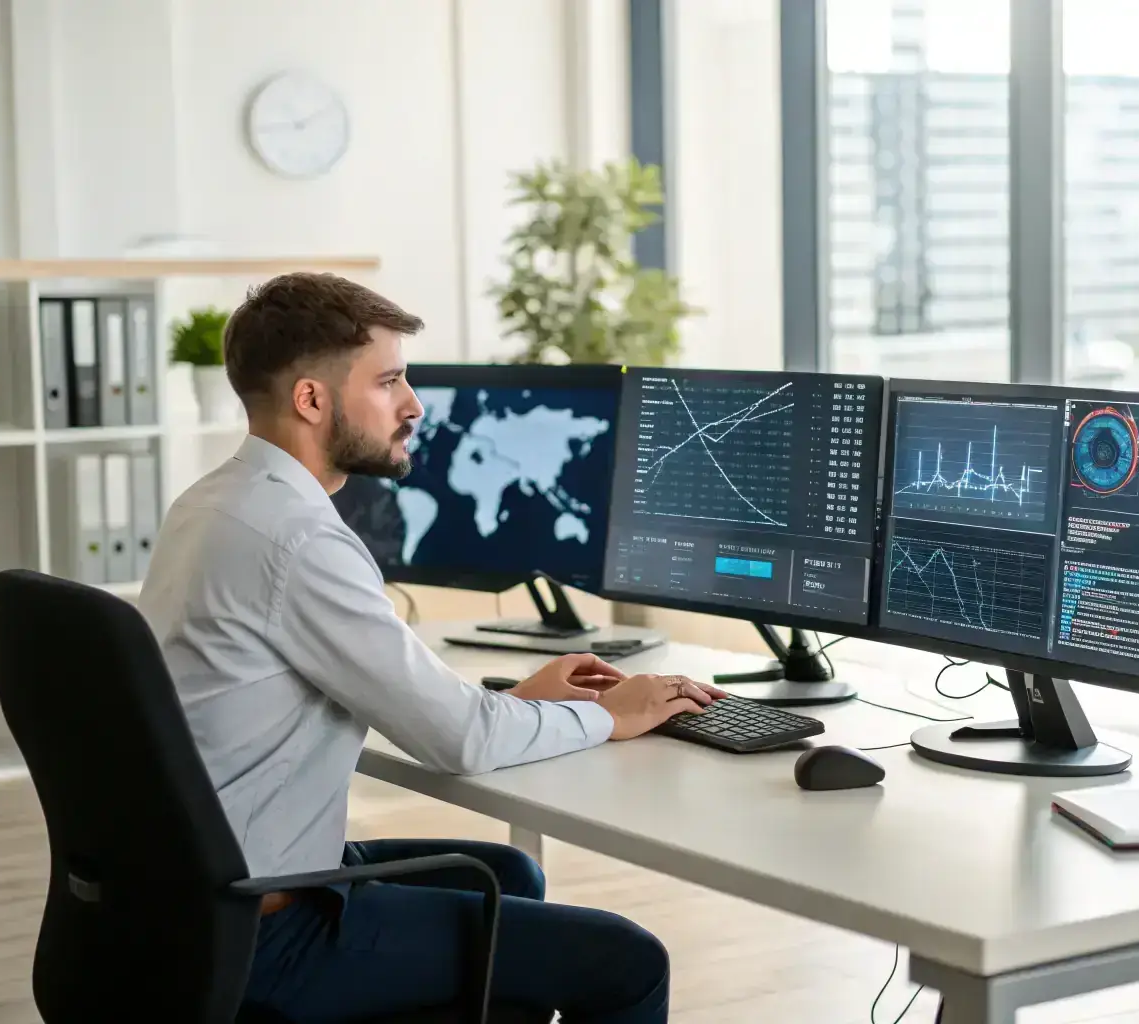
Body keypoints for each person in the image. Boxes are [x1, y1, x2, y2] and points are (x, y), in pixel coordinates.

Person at [136, 272, 726, 1023]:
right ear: (312, 400)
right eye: (388, 382)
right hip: (263, 932)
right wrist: (618, 712)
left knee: (504, 870)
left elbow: (416, 704)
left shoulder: (215, 501)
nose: (413, 405)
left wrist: (514, 703)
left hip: (194, 888)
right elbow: (458, 742)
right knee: (627, 961)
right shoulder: (300, 538)